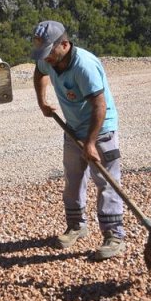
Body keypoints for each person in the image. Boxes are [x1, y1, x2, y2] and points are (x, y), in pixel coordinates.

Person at [31, 20, 126, 260]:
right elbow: (39, 72)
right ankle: (76, 226)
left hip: (101, 130)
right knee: (73, 179)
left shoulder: (85, 65)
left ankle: (114, 235)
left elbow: (99, 106)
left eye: (50, 52)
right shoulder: (48, 59)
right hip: (73, 130)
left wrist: (92, 143)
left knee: (106, 181)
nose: (47, 58)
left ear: (64, 44)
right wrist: (42, 102)